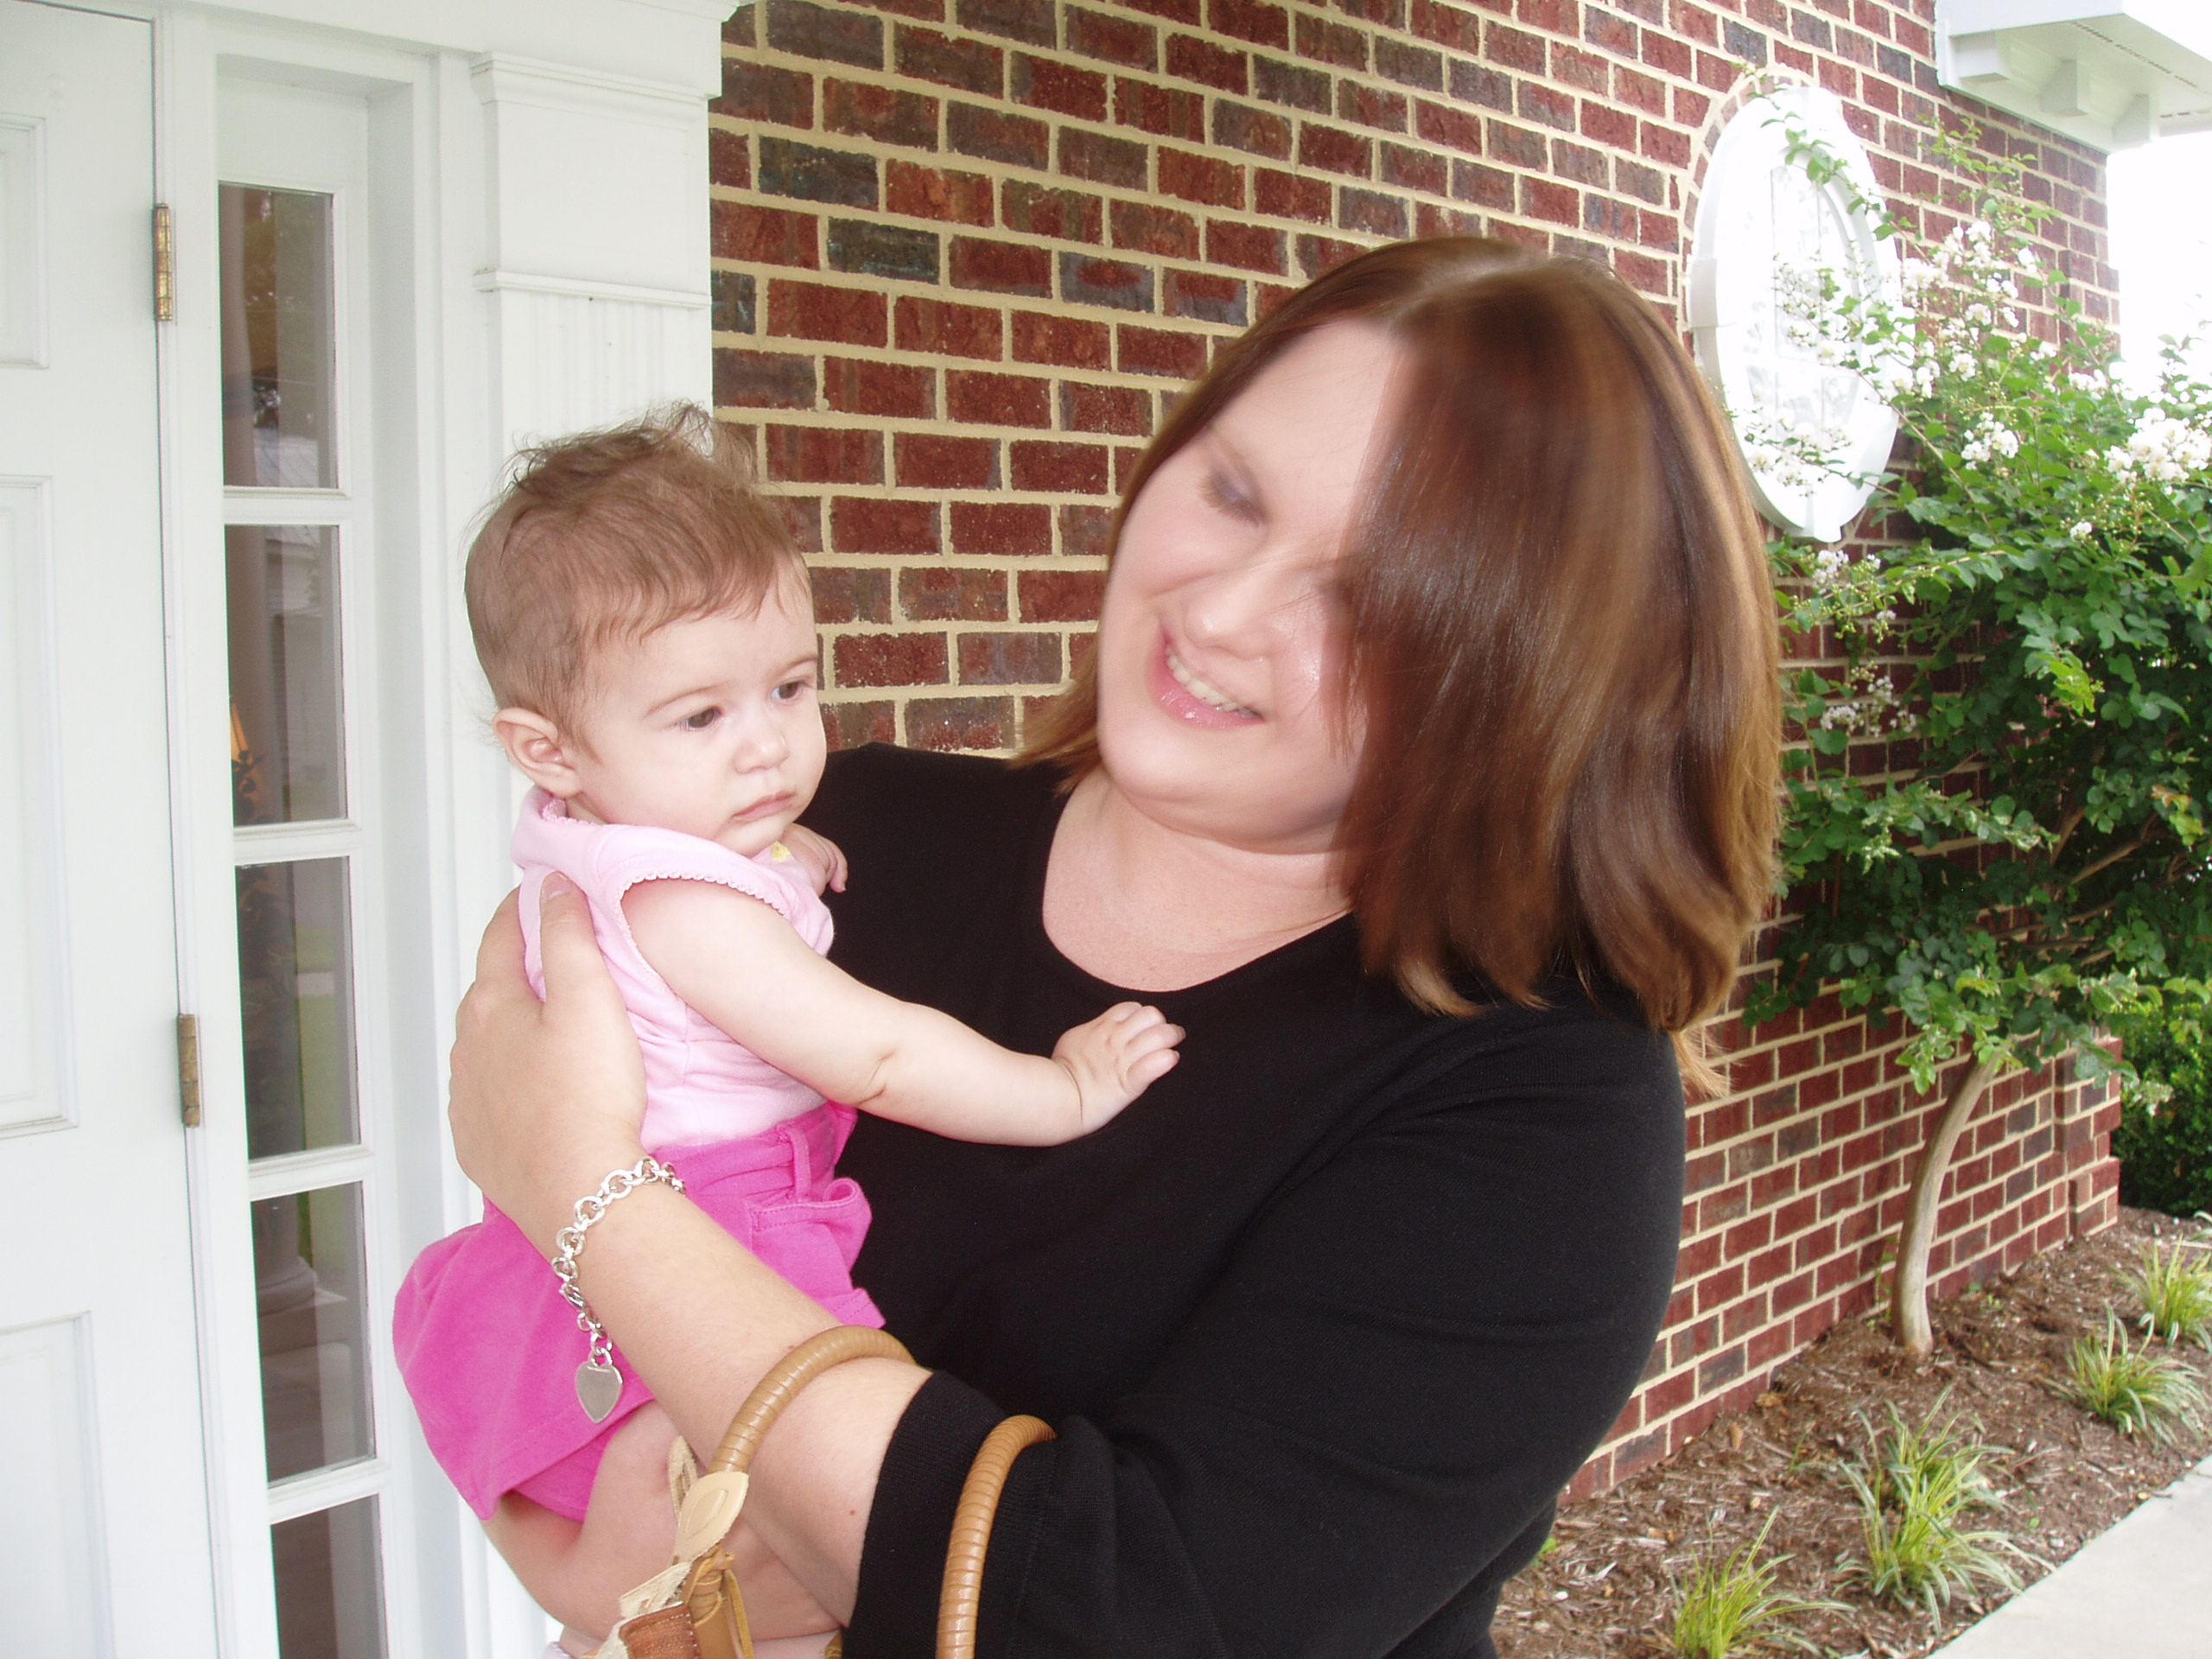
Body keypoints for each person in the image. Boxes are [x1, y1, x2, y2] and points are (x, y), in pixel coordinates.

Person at [447, 237, 1782, 1657]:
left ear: (1520, 691)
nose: (1219, 610)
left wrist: (585, 1190)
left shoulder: (1536, 1106)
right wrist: (600, 1574)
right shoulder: (844, 841)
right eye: (1234, 492)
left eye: (1367, 596)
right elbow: (540, 1365)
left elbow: (1119, 1620)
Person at [392, 410, 1182, 1656]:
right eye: (699, 717)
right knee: (819, 1537)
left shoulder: (598, 839)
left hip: (559, 1264)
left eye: (790, 687)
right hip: (713, 1225)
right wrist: (1062, 1089)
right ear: (548, 747)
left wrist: (765, 847)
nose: (767, 744)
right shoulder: (690, 907)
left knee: (692, 1569)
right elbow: (876, 1054)